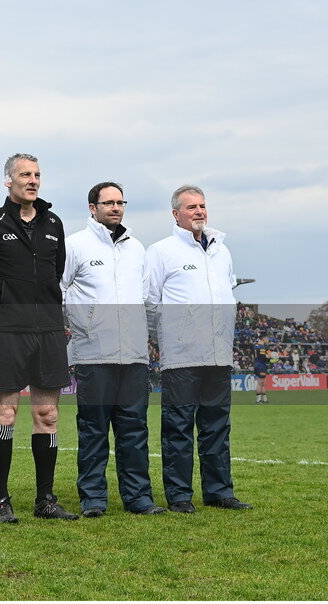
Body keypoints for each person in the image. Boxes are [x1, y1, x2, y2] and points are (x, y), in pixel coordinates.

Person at [0, 153, 78, 522]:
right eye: (25, 175)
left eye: (37, 175)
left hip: (48, 331)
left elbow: (56, 271)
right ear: (8, 181)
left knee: (47, 415)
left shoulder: (53, 222)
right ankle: (1, 501)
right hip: (9, 333)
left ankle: (45, 499)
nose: (32, 180)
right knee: (6, 414)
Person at [145, 185, 252, 513]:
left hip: (218, 354)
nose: (199, 211)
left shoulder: (222, 250)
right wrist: (170, 337)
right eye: (191, 207)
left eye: (202, 206)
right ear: (176, 214)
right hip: (182, 357)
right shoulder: (161, 251)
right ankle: (179, 495)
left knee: (217, 424)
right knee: (178, 426)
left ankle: (220, 491)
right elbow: (148, 303)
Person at [61, 182, 165, 517]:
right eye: (108, 203)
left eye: (120, 202)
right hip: (95, 353)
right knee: (93, 429)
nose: (115, 207)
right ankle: (93, 498)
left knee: (134, 430)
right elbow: (57, 289)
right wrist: (82, 325)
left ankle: (138, 498)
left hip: (133, 356)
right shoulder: (75, 245)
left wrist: (146, 337)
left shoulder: (137, 248)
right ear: (93, 208)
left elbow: (149, 300)